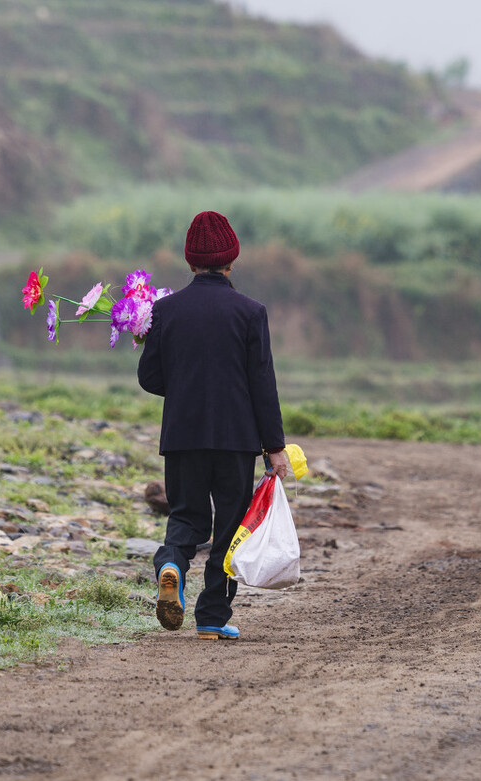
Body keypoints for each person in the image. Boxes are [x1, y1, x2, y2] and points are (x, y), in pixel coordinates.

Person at [137, 210, 291, 641]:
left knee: (186, 517)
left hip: (183, 437)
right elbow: (263, 383)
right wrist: (274, 446)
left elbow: (149, 378)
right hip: (235, 440)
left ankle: (171, 564)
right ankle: (211, 616)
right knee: (230, 524)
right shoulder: (250, 312)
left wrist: (185, 384)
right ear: (231, 260)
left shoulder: (164, 310)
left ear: (189, 262)